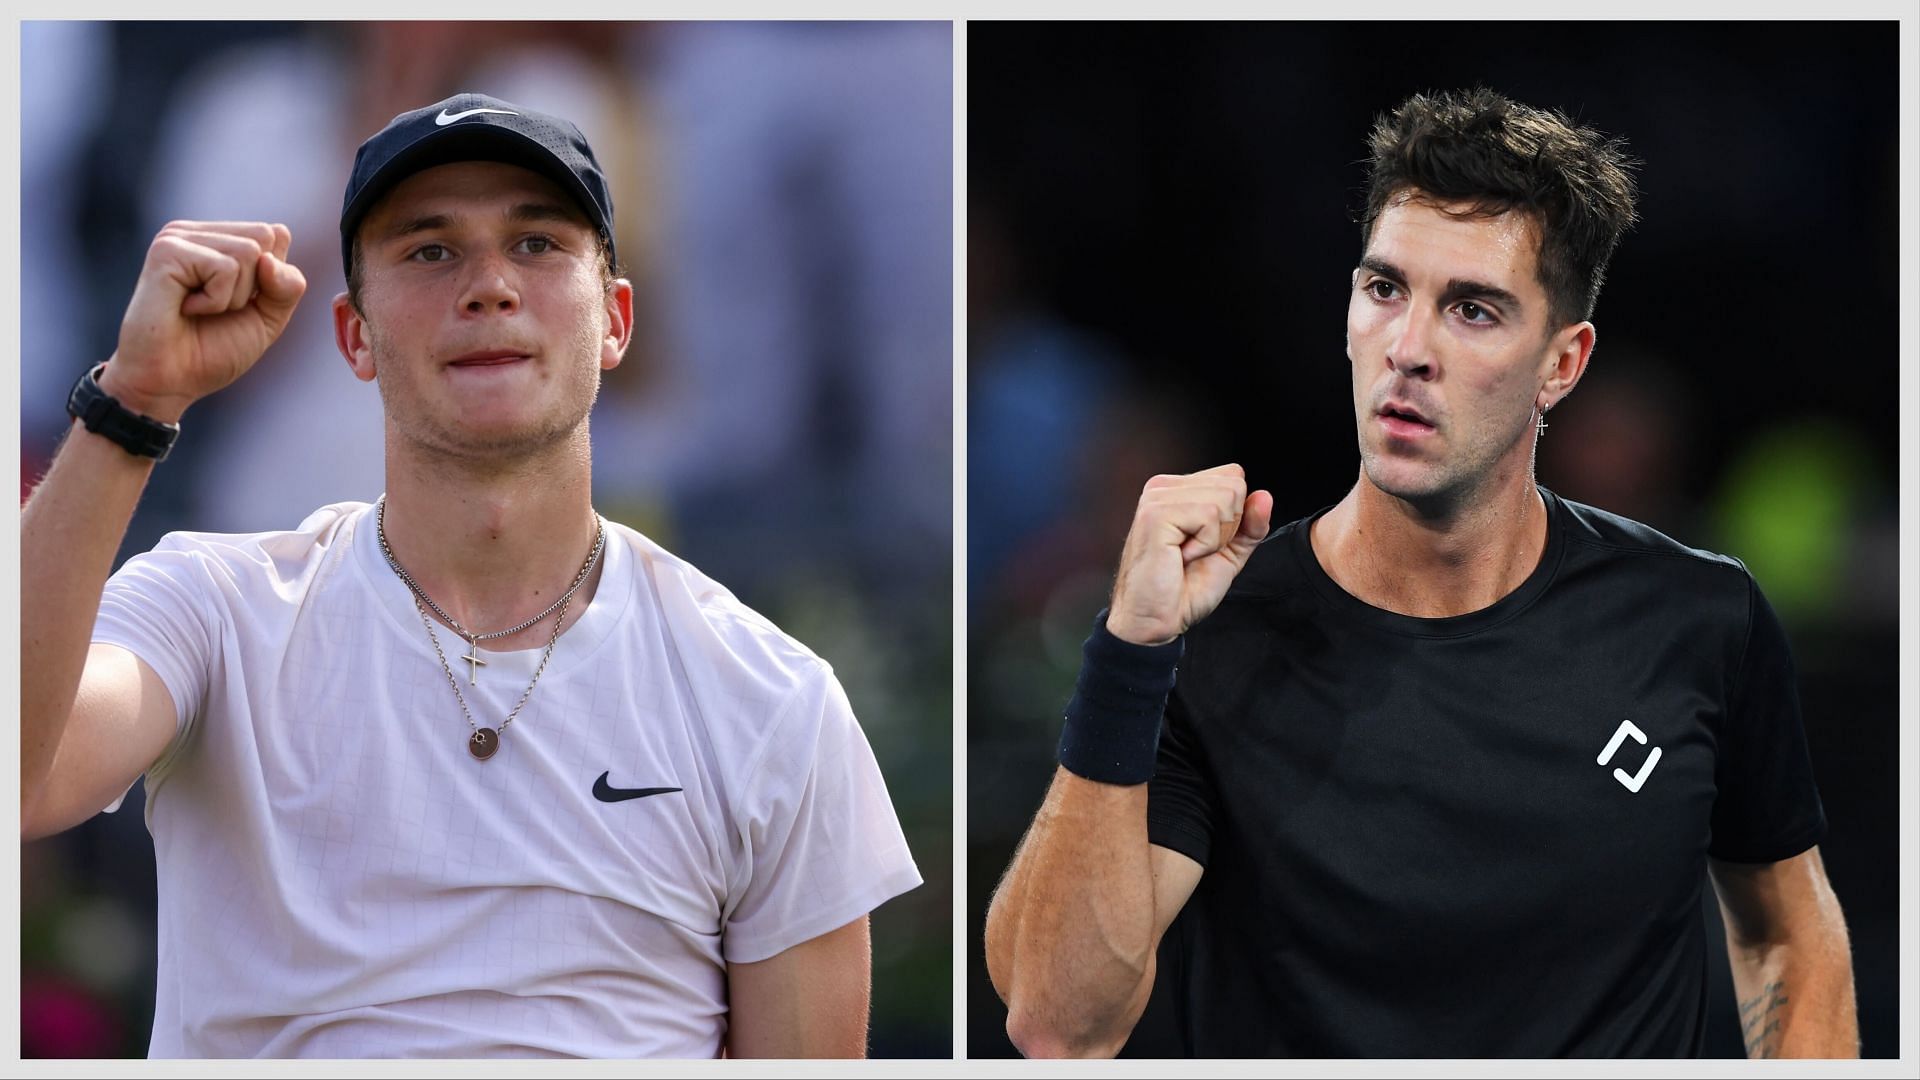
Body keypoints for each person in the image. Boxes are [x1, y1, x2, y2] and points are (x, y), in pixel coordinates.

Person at [21, 92, 921, 1059]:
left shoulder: (771, 695)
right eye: (430, 250)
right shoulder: (213, 606)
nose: (490, 284)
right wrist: (133, 402)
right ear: (354, 336)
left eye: (537, 244)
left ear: (615, 321)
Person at [983, 88, 1857, 1059]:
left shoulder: (1702, 619)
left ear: (1562, 363)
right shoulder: (1213, 633)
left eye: (1472, 310)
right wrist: (1130, 648)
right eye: (1385, 288)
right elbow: (1059, 1024)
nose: (1409, 349)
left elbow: (1787, 931)